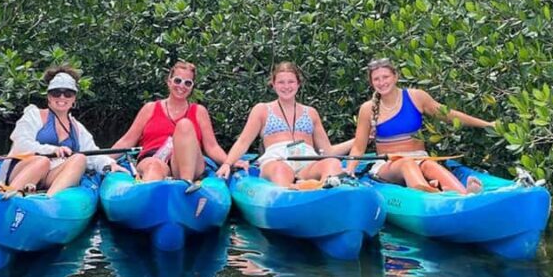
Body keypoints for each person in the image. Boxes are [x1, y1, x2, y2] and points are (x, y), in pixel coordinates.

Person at [346, 58, 494, 194]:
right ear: (372, 83)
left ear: (395, 76)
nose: (381, 82)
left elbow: (449, 115)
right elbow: (359, 147)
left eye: (385, 77)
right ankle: (431, 192)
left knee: (431, 165)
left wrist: (486, 124)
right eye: (376, 79)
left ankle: (464, 194)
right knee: (407, 164)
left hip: (420, 158)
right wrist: (349, 171)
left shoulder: (416, 97)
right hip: (389, 165)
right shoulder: (367, 109)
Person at [0, 65, 127, 197]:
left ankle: (49, 200)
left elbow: (92, 154)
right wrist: (51, 150)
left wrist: (109, 164)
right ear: (49, 97)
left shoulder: (77, 128)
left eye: (68, 93)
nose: (62, 97)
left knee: (80, 158)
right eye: (56, 93)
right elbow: (21, 144)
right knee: (42, 161)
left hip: (51, 176)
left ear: (74, 98)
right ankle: (10, 195)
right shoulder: (33, 115)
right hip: (24, 170)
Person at [216, 62, 353, 188]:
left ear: (298, 84)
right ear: (274, 85)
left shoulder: (311, 113)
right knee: (280, 169)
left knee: (333, 163)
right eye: (281, 82)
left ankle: (324, 189)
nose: (286, 86)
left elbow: (328, 151)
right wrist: (228, 163)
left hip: (308, 163)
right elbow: (243, 142)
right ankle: (293, 190)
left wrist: (358, 140)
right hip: (276, 161)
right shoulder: (262, 110)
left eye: (291, 82)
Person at [110, 61, 230, 187]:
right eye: (178, 81)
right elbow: (127, 140)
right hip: (154, 158)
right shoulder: (150, 108)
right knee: (153, 166)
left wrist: (229, 162)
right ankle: (149, 193)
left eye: (188, 83)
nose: (182, 86)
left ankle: (186, 184)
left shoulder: (199, 111)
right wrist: (102, 159)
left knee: (184, 125)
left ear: (192, 87)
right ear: (169, 82)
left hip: (187, 162)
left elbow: (212, 146)